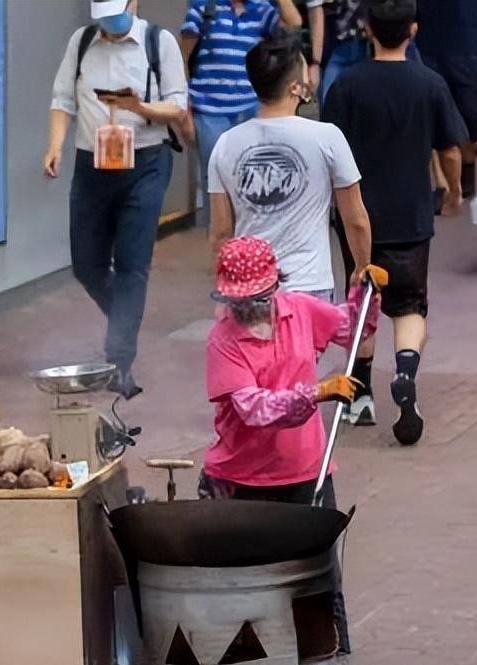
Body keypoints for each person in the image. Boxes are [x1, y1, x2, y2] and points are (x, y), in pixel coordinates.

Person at [199, 236, 386, 665]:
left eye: (256, 298)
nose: (248, 308)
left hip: (306, 473)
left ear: (273, 289)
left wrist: (365, 293)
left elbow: (353, 329)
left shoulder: (300, 311)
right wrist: (315, 393)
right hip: (239, 481)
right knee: (238, 589)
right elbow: (254, 409)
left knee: (321, 580)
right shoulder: (223, 341)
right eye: (238, 301)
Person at [321, 0, 468, 441]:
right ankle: (405, 372)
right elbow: (450, 149)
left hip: (356, 214)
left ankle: (359, 394)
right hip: (411, 213)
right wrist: (455, 192)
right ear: (414, 30)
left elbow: (329, 152)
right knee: (408, 304)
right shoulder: (430, 84)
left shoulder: (345, 86)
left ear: (368, 30)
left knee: (361, 296)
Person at [45, 0, 189, 398]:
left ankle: (119, 361)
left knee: (131, 265)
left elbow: (177, 105)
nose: (109, 23)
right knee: (86, 264)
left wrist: (138, 106)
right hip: (92, 164)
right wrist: (55, 145)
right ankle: (125, 320)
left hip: (146, 162)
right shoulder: (83, 41)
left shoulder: (158, 43)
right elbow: (63, 99)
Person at [209, 28, 372, 300]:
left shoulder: (226, 144)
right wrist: (361, 267)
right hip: (309, 284)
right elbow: (355, 219)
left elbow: (221, 231)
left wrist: (226, 283)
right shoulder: (327, 137)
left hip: (249, 288)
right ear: (296, 87)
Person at [180, 0, 300, 224]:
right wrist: (184, 106)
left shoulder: (261, 9)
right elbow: (183, 59)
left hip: (250, 107)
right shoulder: (204, 8)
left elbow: (294, 25)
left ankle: (250, 246)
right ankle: (221, 246)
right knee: (216, 180)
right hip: (209, 110)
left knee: (254, 177)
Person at [415, 0, 477, 198]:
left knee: (473, 115)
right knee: (429, 112)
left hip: (466, 42)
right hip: (425, 39)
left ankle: (466, 164)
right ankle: (443, 182)